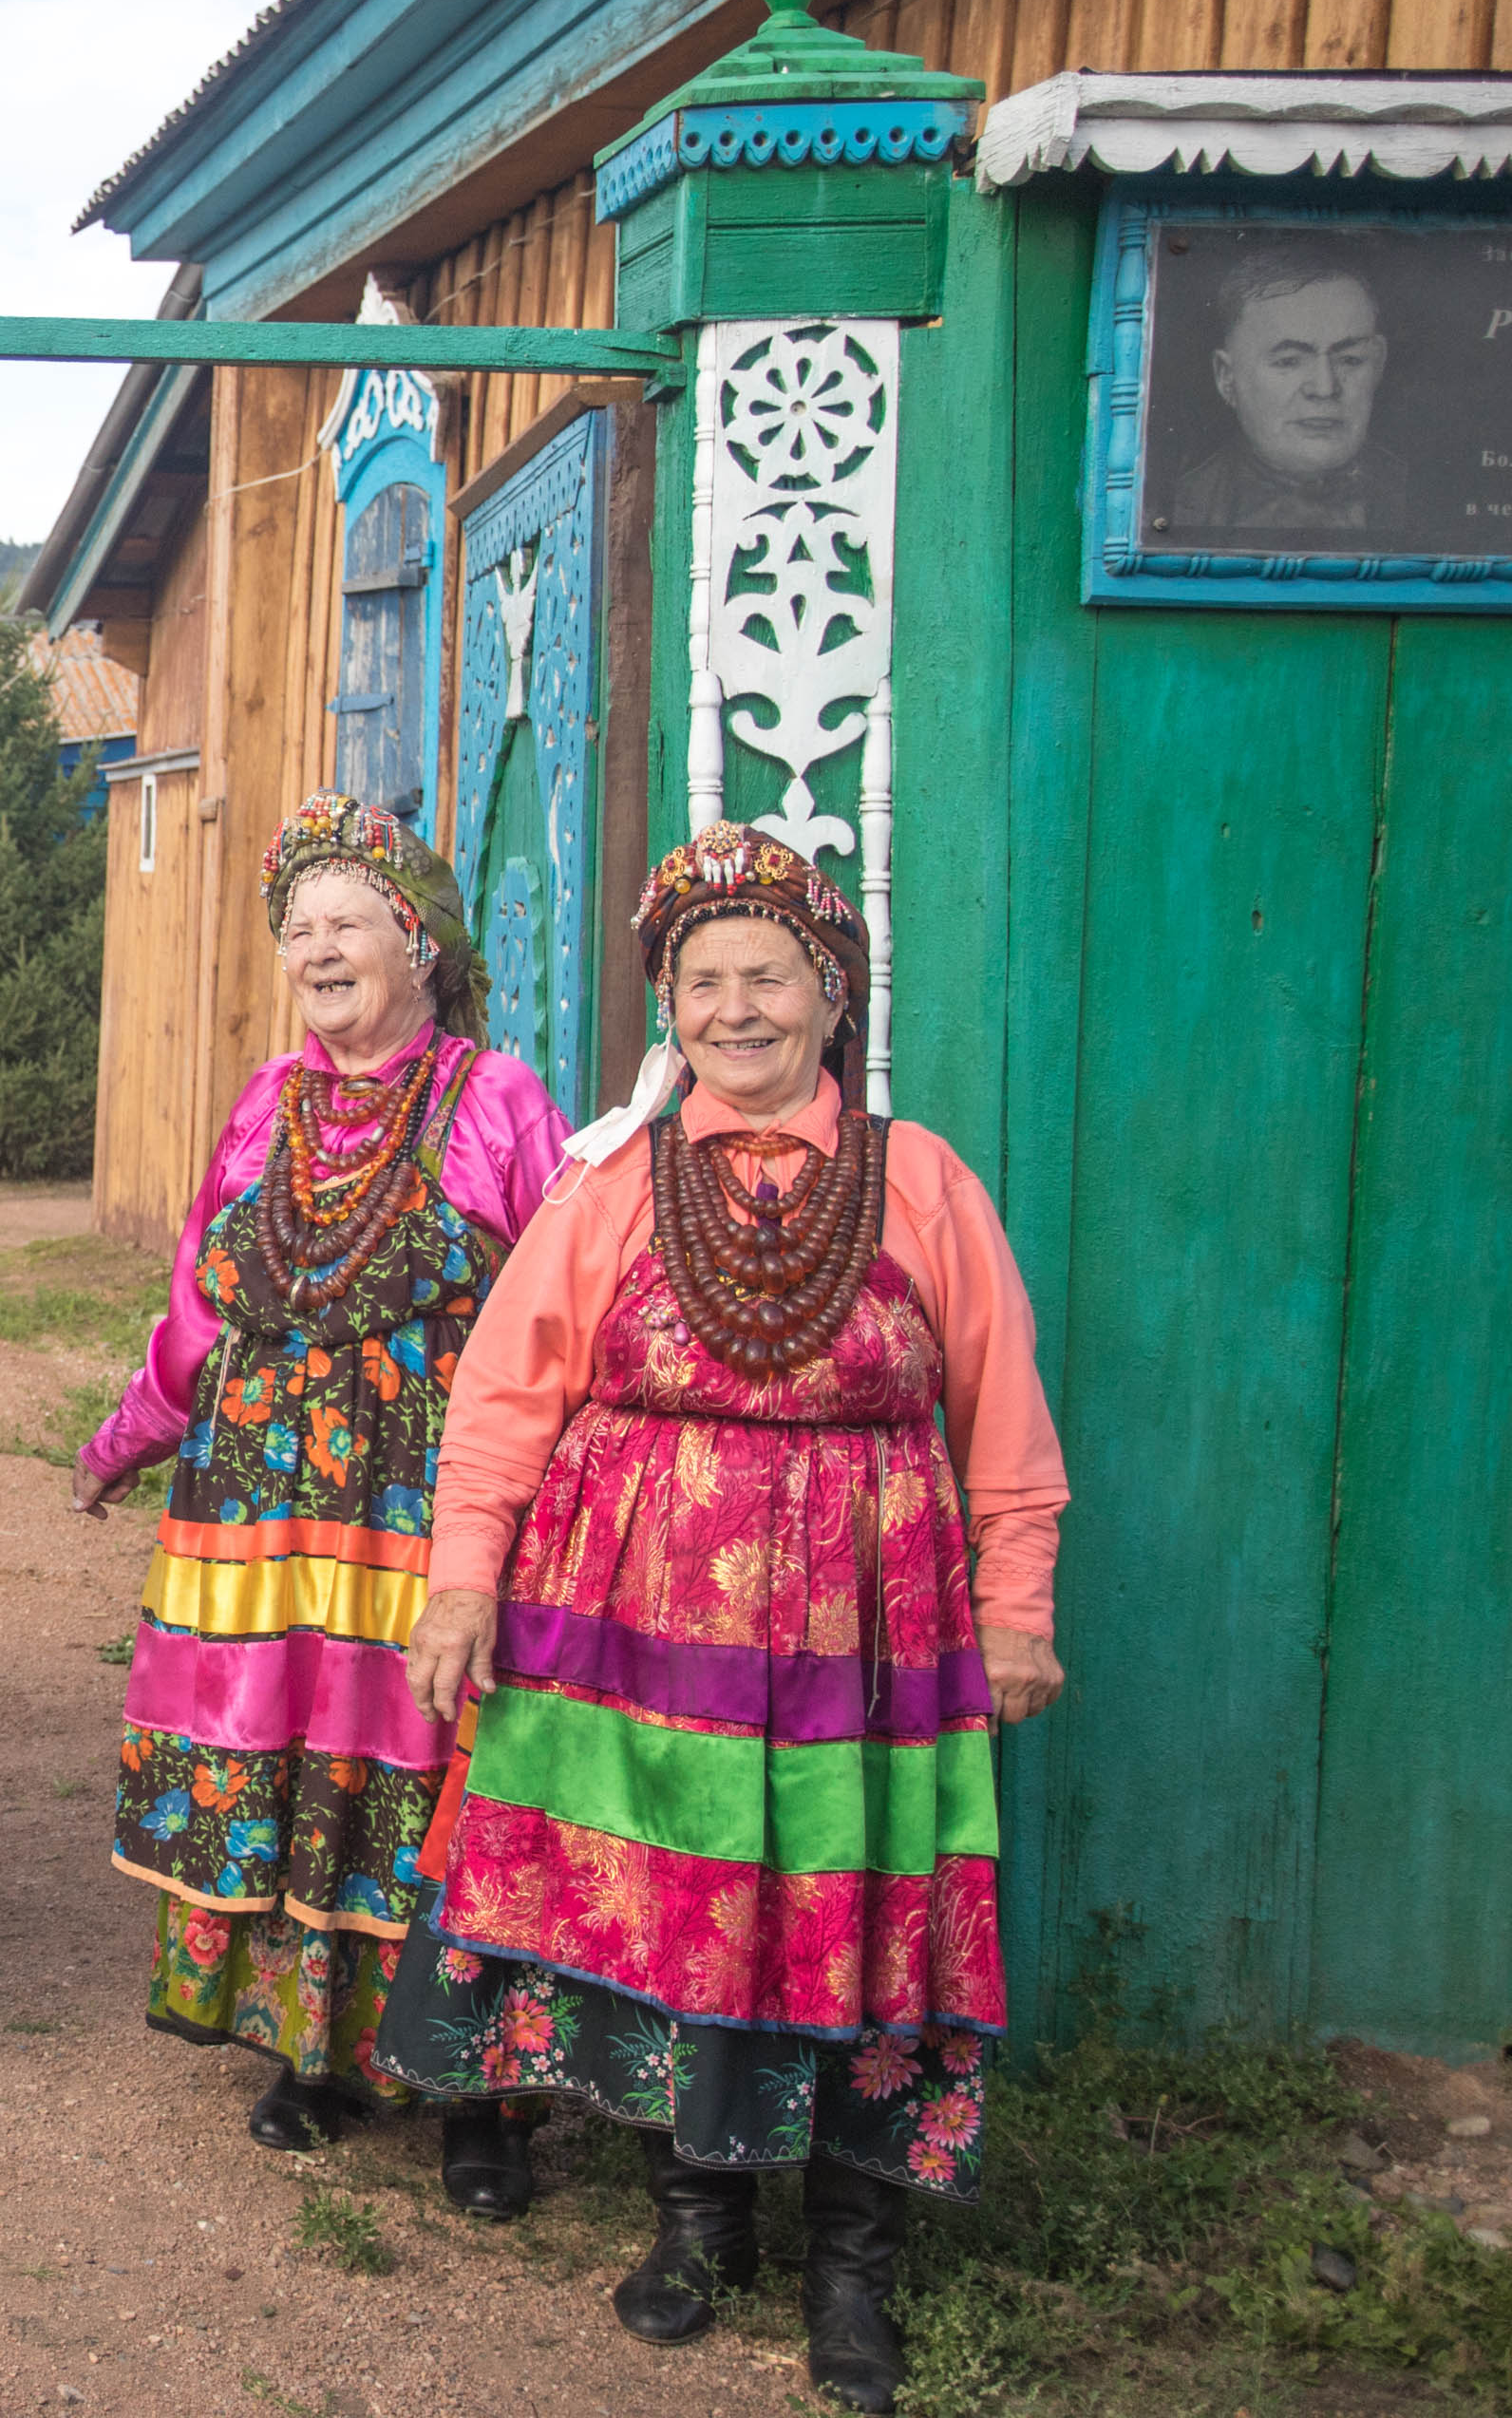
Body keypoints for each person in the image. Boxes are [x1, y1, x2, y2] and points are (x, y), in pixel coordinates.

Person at [380, 823, 1069, 2416]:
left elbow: (1004, 1421)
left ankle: (849, 2262)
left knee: (848, 1919)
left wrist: (1013, 1607)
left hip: (866, 1647)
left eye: (767, 976)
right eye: (702, 982)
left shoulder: (924, 1183)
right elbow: (503, 1395)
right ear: (667, 1008)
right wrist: (463, 1581)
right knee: (678, 1906)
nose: (733, 1010)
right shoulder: (613, 1182)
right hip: (640, 1640)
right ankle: (696, 2218)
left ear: (833, 999)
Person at [73, 793, 569, 2218]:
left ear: (419, 942)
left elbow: (554, 1314)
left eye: (347, 919)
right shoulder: (263, 1105)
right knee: (288, 1755)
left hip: (420, 1517)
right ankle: (314, 2054)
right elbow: (193, 1310)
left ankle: (484, 2101)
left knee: (429, 1768)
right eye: (298, 928)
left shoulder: (497, 1101)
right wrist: (129, 1438)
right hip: (262, 1518)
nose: (317, 947)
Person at [1165, 241, 1408, 535]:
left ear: (1378, 365)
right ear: (1226, 376)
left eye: (1350, 360)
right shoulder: (1180, 506)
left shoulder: (1426, 496)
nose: (1324, 387)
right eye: (1289, 361)